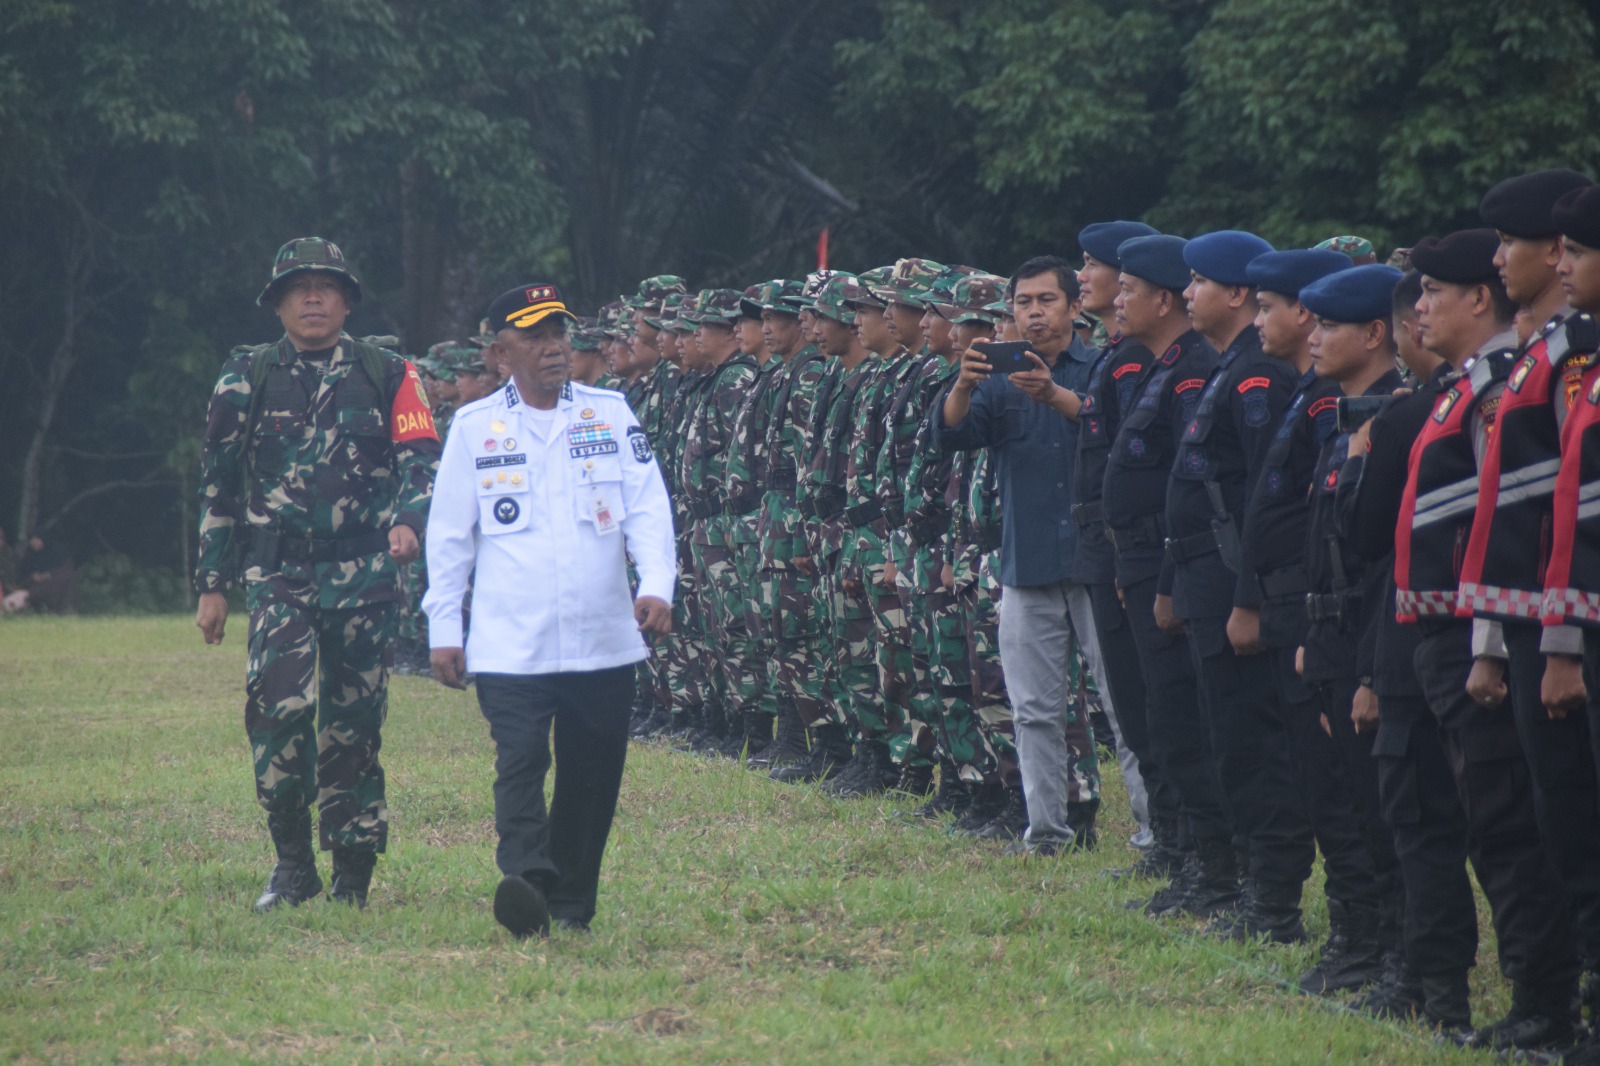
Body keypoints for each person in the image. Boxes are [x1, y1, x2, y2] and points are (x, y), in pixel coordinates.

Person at [195, 236, 440, 910]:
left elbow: (422, 458)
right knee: (279, 712)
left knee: (353, 726)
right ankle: (293, 864)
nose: (312, 297)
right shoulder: (244, 375)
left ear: (347, 300)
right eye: (298, 287)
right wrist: (211, 585)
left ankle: (354, 874)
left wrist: (408, 520)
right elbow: (216, 485)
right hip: (278, 578)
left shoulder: (389, 371)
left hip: (365, 573)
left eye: (325, 286)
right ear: (276, 302)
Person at [423, 282, 675, 938]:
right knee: (522, 756)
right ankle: (527, 880)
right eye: (534, 337)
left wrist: (657, 584)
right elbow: (449, 537)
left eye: (559, 334)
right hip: (512, 639)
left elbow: (648, 506)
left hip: (602, 635)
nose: (553, 348)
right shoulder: (476, 428)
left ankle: (570, 905)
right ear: (502, 352)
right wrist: (445, 626)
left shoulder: (611, 413)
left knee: (593, 774)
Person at [936, 255, 1103, 855]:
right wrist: (963, 383)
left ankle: (1153, 832)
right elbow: (954, 433)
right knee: (1033, 709)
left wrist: (1057, 395)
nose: (1034, 313)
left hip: (1095, 563)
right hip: (1027, 561)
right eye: (1023, 303)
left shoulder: (1103, 366)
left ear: (1074, 307)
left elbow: (1113, 426)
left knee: (1120, 702)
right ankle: (1047, 831)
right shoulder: (999, 380)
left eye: (1046, 300)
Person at [18, 530, 77, 613]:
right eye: (33, 541)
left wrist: (50, 574)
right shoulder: (30, 553)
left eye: (37, 540)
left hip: (55, 582)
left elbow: (66, 569)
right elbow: (24, 573)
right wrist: (33, 577)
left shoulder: (57, 551)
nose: (34, 543)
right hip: (35, 585)